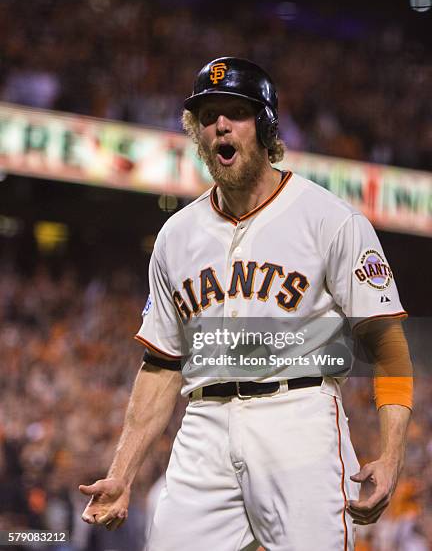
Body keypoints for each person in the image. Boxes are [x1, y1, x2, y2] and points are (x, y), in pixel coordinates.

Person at [79, 57, 413, 550]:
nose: (220, 126)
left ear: (266, 125)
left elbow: (389, 348)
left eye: (235, 112)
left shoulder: (329, 219)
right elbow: (161, 364)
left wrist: (391, 455)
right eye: (208, 115)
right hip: (203, 428)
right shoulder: (177, 235)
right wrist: (123, 472)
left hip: (297, 418)